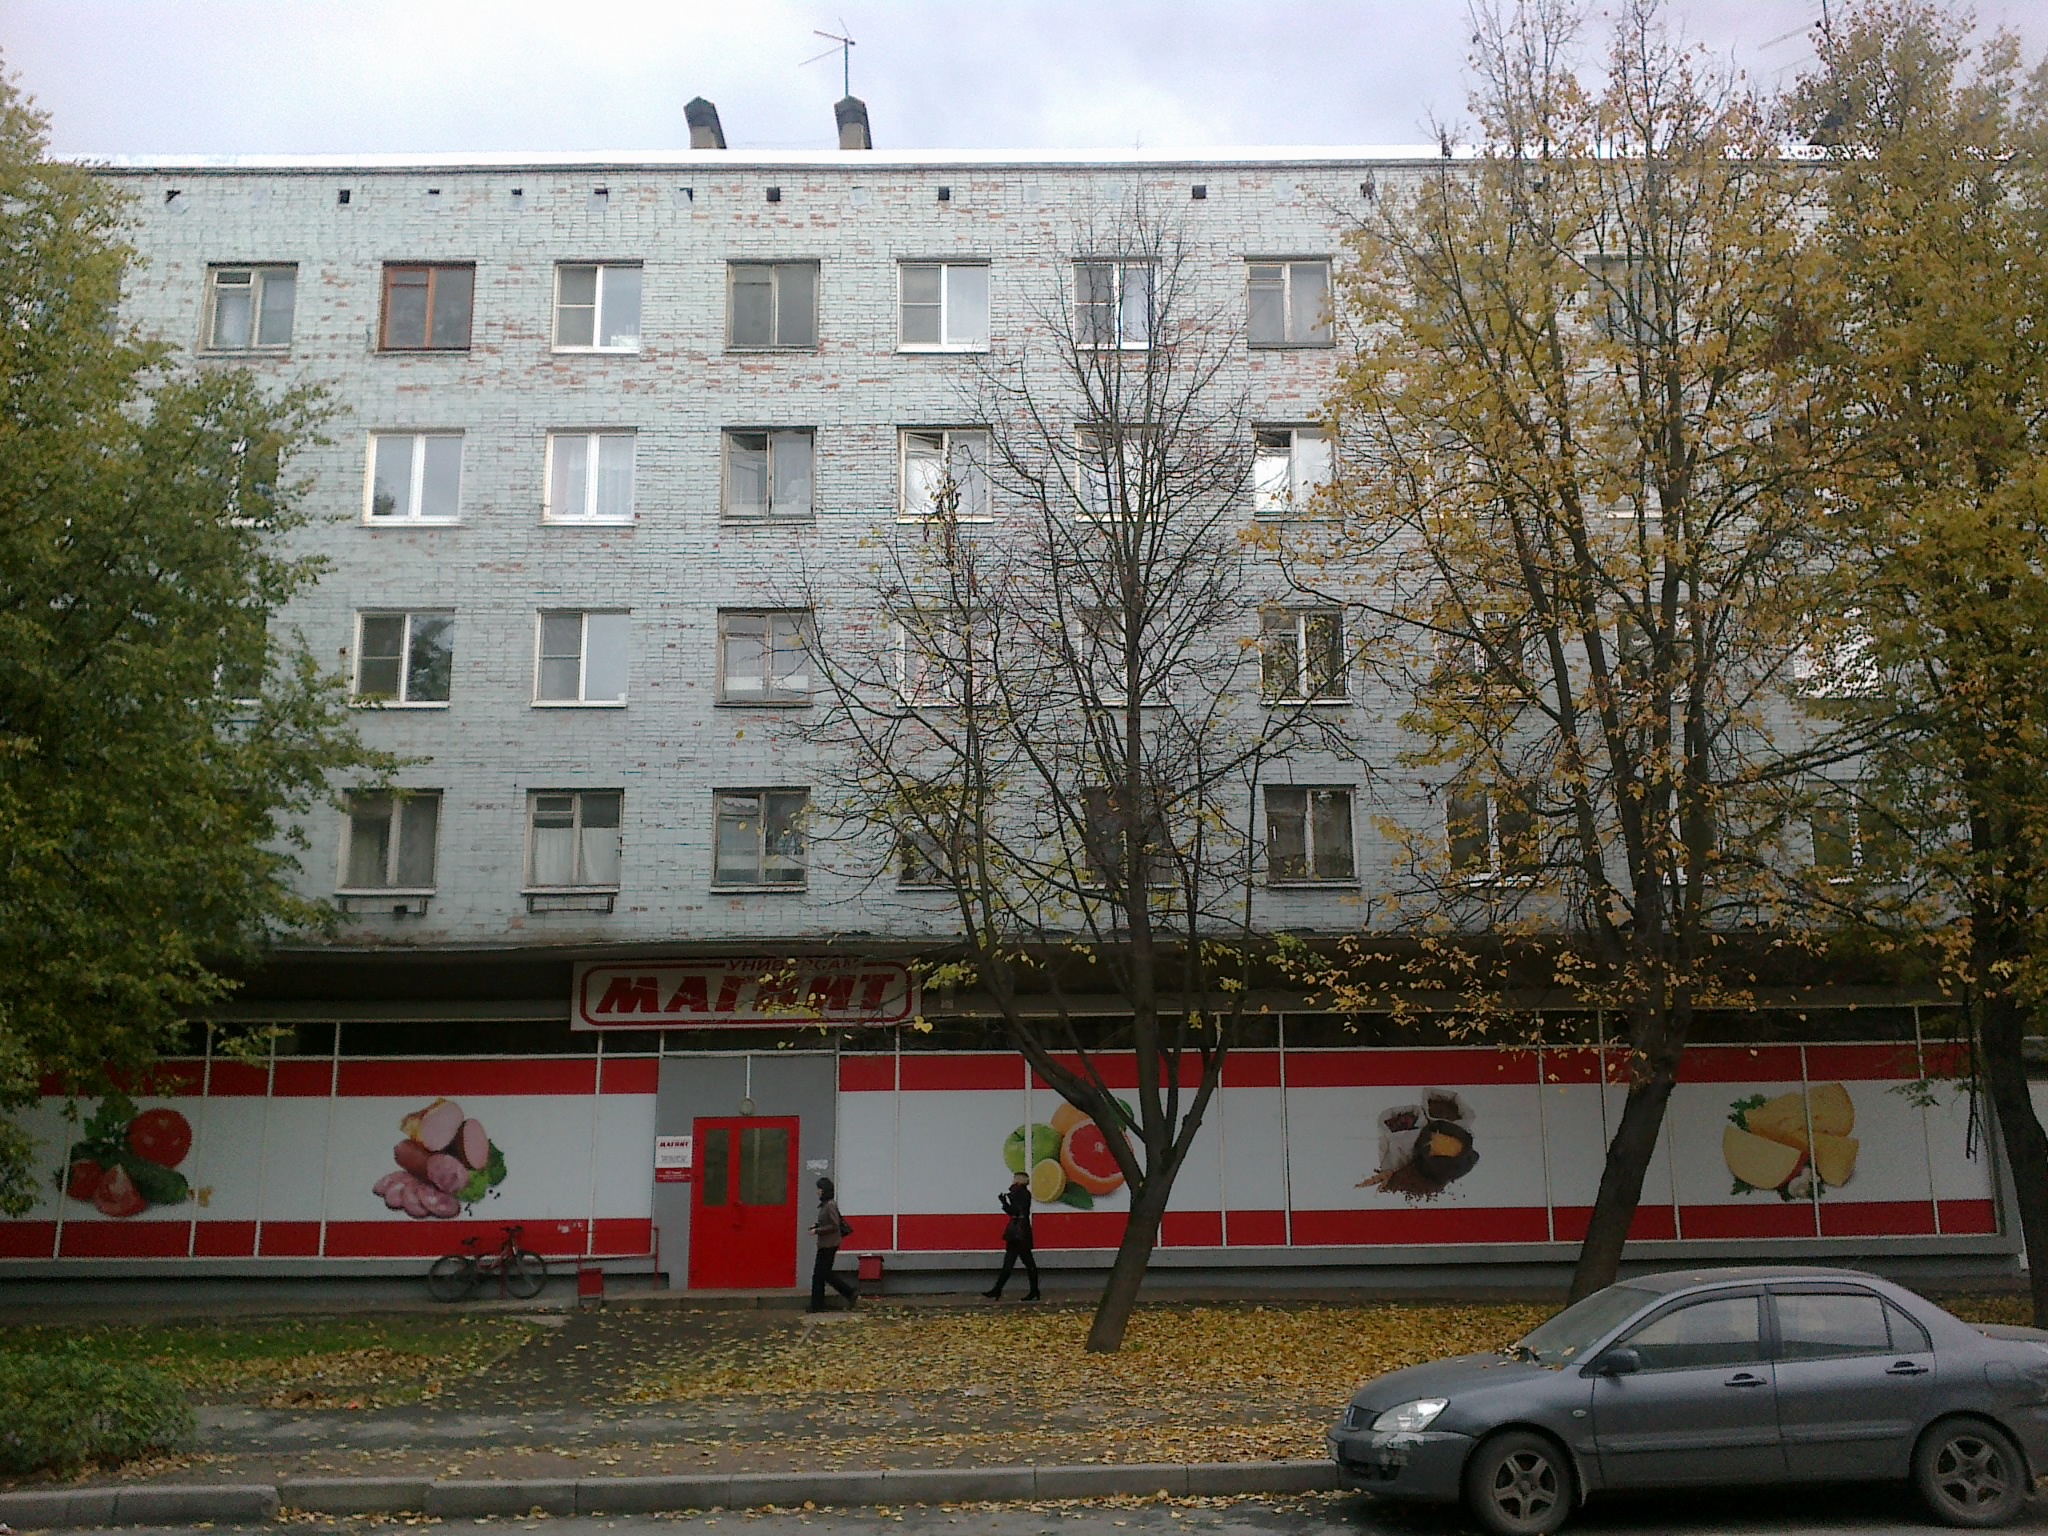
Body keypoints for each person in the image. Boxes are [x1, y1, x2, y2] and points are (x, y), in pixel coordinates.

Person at [983, 1169, 1041, 1300]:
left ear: (1019, 1180)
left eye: (1015, 1178)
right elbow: (1015, 1212)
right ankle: (1031, 1290)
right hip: (1019, 1232)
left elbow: (1015, 1211)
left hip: (1018, 1233)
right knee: (1022, 1262)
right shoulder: (1021, 1193)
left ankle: (998, 1290)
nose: (1013, 1180)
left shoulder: (1021, 1193)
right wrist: (1005, 1202)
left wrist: (1006, 1201)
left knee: (1016, 1262)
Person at [809, 1175, 859, 1312]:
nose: (817, 1192)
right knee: (820, 1275)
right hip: (826, 1243)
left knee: (823, 1274)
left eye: (819, 1189)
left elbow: (834, 1225)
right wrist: (817, 1225)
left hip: (829, 1244)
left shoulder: (830, 1205)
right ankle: (817, 1305)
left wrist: (817, 1230)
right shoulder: (825, 1204)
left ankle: (849, 1292)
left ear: (824, 1190)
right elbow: (828, 1222)